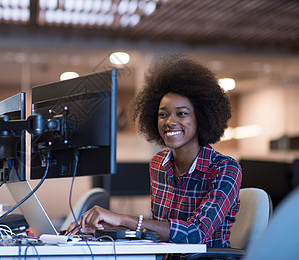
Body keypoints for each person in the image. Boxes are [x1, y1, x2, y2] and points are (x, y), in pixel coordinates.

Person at [67, 54, 242, 250]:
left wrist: (122, 217)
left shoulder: (225, 169)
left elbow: (195, 234)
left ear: (202, 118)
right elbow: (156, 228)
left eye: (181, 113)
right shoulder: (159, 163)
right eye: (163, 114)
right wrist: (102, 228)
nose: (169, 121)